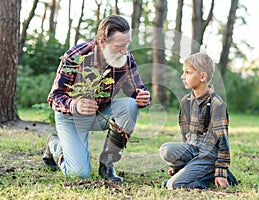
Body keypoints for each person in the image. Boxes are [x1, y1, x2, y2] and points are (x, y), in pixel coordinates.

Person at [42, 15, 151, 182]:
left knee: (130, 105)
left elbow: (136, 89)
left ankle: (107, 165)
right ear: (102, 41)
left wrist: (143, 96)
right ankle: (55, 146)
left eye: (127, 44)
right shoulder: (76, 56)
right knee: (78, 174)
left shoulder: (125, 58)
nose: (125, 50)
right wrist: (75, 105)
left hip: (100, 114)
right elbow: (55, 97)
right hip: (71, 117)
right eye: (119, 46)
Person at [159, 52, 237, 189]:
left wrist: (221, 172)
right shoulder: (185, 102)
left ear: (202, 76)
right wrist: (179, 166)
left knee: (173, 185)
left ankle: (209, 175)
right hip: (192, 148)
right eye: (183, 72)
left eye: (188, 73)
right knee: (166, 149)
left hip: (208, 155)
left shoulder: (217, 104)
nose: (182, 77)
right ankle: (191, 169)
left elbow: (223, 141)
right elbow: (186, 136)